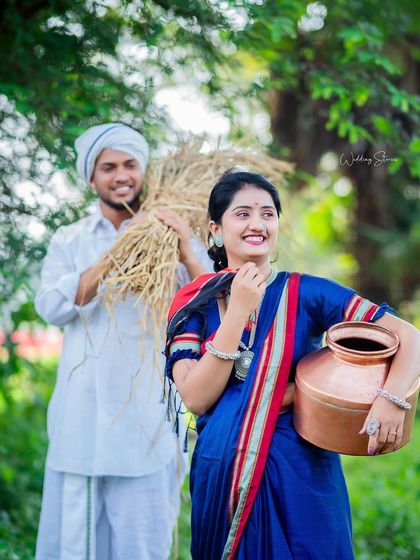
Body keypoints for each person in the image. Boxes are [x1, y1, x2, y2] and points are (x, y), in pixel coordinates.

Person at [165, 170, 420, 560]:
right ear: (215, 228)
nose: (257, 224)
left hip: (301, 472)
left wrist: (391, 399)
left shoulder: (307, 292)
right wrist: (238, 313)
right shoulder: (193, 302)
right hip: (222, 473)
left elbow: (409, 337)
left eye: (268, 214)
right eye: (243, 213)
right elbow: (197, 398)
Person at [35, 122, 212, 560]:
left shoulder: (171, 235)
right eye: (108, 167)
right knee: (75, 543)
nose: (121, 176)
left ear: (143, 171)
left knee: (142, 543)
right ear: (91, 178)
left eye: (130, 164)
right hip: (81, 419)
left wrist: (186, 246)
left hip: (146, 419)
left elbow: (213, 302)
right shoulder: (70, 240)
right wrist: (122, 248)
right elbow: (52, 308)